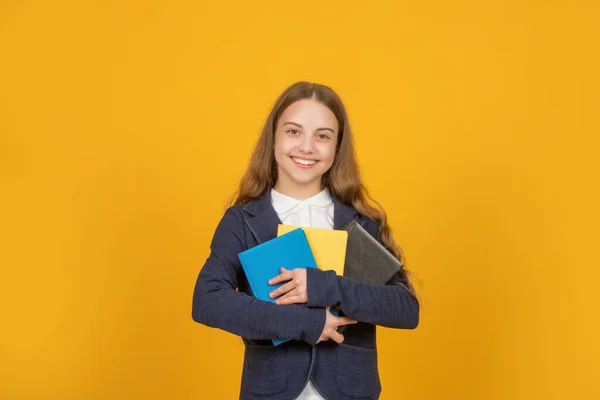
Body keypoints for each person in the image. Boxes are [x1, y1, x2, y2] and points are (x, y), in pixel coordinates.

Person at [192, 81, 419, 400]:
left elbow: (406, 309)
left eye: (323, 135)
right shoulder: (243, 221)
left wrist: (326, 287)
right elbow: (208, 301)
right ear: (273, 138)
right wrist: (306, 321)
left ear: (337, 147)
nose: (307, 147)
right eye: (294, 131)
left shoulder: (360, 223)